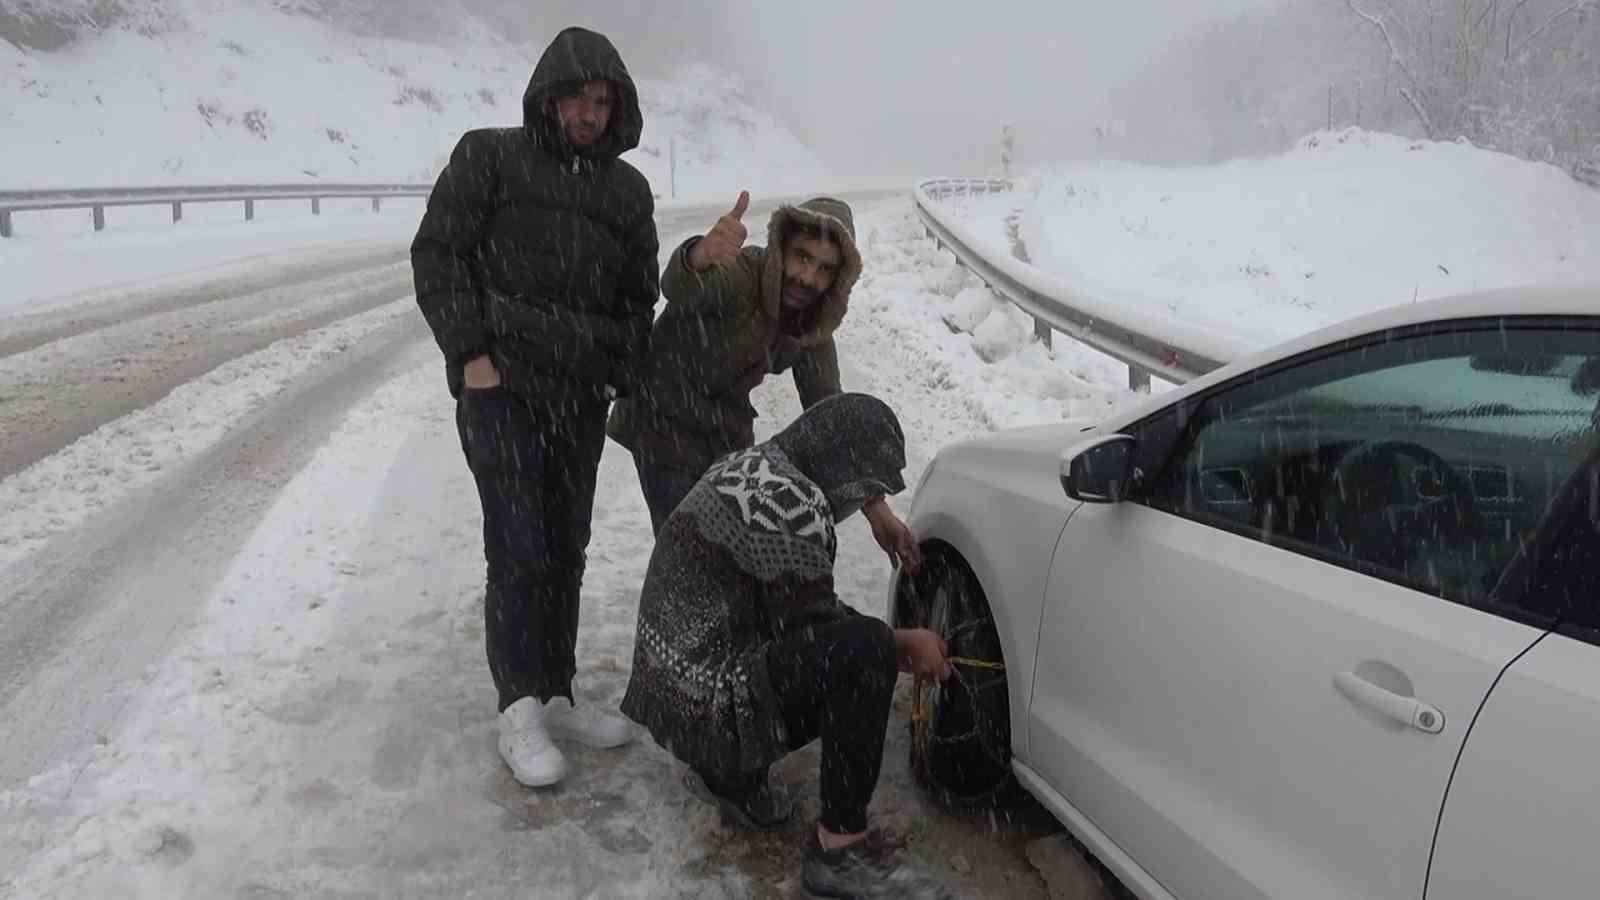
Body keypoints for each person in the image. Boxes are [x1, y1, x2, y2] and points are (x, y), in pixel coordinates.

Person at [411, 26, 659, 788]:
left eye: (602, 101)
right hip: (504, 392)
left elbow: (636, 296)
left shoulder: (627, 190)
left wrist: (617, 369)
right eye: (578, 98)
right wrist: (471, 356)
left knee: (566, 546)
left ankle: (556, 692)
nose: (589, 113)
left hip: (577, 400)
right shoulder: (490, 155)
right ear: (549, 96)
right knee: (518, 545)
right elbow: (438, 254)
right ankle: (517, 706)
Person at [621, 393, 953, 899]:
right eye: (867, 490)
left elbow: (794, 609)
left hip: (665, 686)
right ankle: (840, 851)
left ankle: (725, 774)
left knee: (856, 644)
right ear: (845, 475)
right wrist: (902, 645)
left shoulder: (758, 465)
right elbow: (820, 637)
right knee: (863, 653)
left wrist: (875, 510)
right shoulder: (792, 508)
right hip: (700, 702)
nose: (863, 503)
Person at [605, 192, 922, 574]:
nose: (808, 277)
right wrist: (698, 257)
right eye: (803, 257)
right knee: (691, 557)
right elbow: (680, 286)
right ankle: (679, 622)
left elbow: (831, 415)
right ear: (782, 248)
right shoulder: (744, 274)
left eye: (824, 269)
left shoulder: (812, 324)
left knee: (739, 554)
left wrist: (877, 510)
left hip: (725, 431)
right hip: (662, 417)